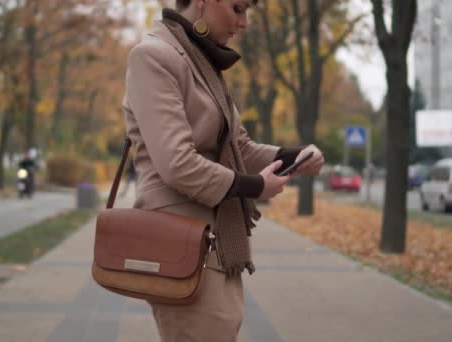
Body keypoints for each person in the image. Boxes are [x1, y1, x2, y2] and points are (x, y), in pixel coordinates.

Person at [122, 0, 325, 340]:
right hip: (180, 238)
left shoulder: (201, 61)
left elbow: (239, 148)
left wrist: (295, 156)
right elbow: (177, 163)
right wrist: (254, 187)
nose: (243, 22)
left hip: (215, 239)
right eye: (237, 8)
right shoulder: (154, 56)